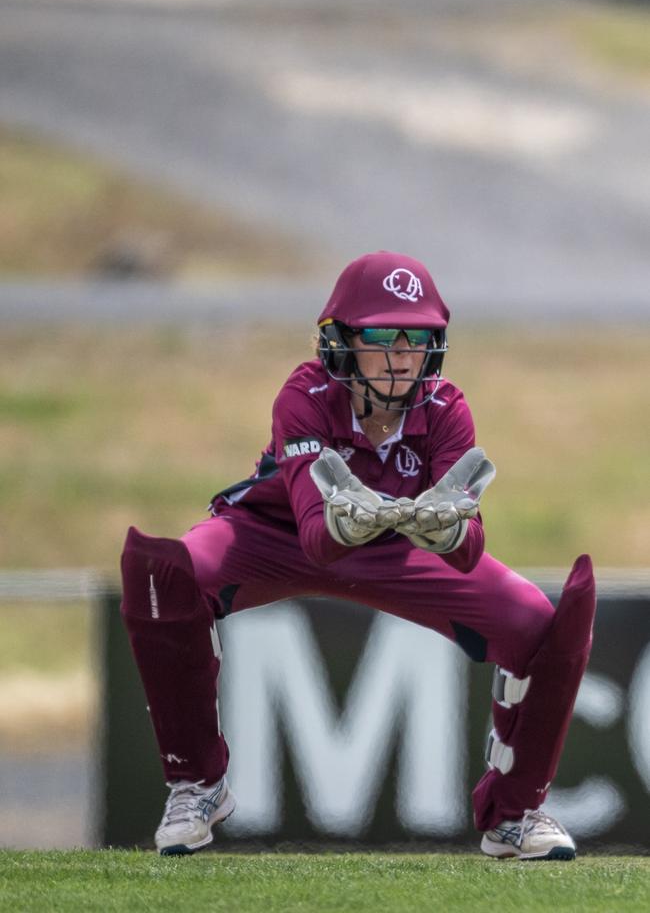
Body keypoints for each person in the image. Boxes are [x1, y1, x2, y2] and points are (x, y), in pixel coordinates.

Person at [120, 251, 595, 860]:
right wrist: (350, 520)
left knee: (539, 621)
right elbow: (318, 540)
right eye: (380, 336)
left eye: (416, 338)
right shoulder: (305, 394)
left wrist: (448, 531)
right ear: (341, 341)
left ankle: (515, 815)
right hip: (275, 534)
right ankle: (198, 785)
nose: (401, 355)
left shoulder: (448, 408)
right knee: (166, 574)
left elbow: (470, 542)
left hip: (397, 544)